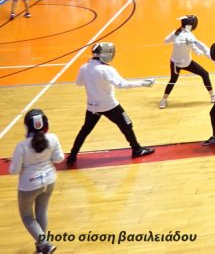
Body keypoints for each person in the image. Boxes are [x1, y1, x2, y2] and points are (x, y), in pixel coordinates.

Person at [66, 42, 155, 168]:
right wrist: (143, 83)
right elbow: (121, 84)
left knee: (85, 130)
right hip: (109, 105)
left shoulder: (84, 67)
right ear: (105, 54)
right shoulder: (106, 69)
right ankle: (136, 149)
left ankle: (72, 156)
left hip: (92, 106)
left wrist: (91, 80)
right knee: (127, 124)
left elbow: (78, 83)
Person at [9, 109, 63, 254]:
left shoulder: (22, 145)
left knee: (27, 216)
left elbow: (14, 170)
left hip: (29, 185)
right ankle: (41, 248)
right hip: (50, 181)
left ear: (27, 126)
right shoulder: (53, 138)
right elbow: (59, 158)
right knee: (42, 212)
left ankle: (44, 244)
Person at [158, 15, 215, 109]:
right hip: (186, 63)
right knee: (204, 74)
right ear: (190, 25)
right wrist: (198, 52)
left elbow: (166, 41)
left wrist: (176, 40)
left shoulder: (176, 32)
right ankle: (213, 96)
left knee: (173, 80)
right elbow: (195, 48)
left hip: (174, 63)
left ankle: (163, 100)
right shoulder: (189, 36)